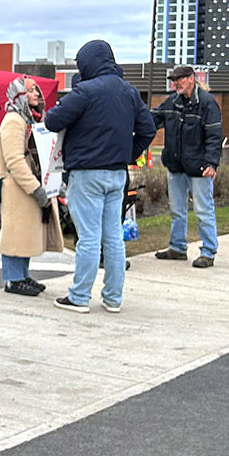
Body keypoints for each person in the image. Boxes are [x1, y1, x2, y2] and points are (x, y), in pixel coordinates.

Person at [43, 40, 155, 314]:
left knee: (89, 238)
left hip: (86, 173)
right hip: (117, 174)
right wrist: (129, 154)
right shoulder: (129, 92)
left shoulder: (85, 91)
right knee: (114, 237)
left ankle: (80, 296)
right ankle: (113, 298)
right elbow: (148, 129)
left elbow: (52, 121)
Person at [0, 76, 63, 295]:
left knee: (25, 234)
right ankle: (14, 280)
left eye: (37, 90)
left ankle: (22, 275)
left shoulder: (28, 120)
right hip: (19, 188)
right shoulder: (14, 121)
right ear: (19, 95)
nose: (37, 94)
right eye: (31, 91)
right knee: (16, 235)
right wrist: (35, 188)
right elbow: (15, 160)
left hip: (27, 186)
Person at [152, 65, 223, 268]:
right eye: (173, 80)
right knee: (177, 209)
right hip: (176, 166)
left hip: (200, 168)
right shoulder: (172, 102)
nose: (175, 84)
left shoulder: (207, 104)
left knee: (203, 210)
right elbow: (152, 119)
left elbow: (214, 136)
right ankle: (177, 247)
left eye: (179, 80)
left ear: (191, 78)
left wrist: (212, 163)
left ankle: (208, 252)